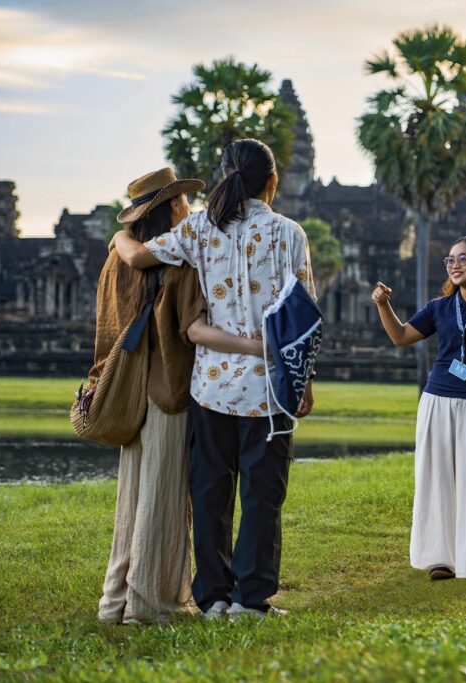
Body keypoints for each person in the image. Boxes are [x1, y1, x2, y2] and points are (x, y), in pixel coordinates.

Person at [112, 139, 316, 620]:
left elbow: (138, 257)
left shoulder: (200, 228)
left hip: (212, 387)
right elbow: (302, 317)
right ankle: (251, 599)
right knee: (262, 498)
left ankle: (214, 598)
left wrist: (118, 239)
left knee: (211, 494)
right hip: (271, 389)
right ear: (272, 182)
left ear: (224, 176)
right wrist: (305, 381)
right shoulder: (289, 233)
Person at [96, 168, 265, 625]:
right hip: (169, 388)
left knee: (131, 498)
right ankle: (150, 603)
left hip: (127, 389)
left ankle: (115, 601)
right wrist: (253, 344)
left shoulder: (118, 257)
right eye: (184, 203)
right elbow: (192, 328)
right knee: (163, 498)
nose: (189, 209)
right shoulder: (180, 259)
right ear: (173, 207)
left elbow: (107, 325)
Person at [371, 236, 466, 580]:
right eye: (450, 259)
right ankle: (442, 558)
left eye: (464, 258)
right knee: (436, 477)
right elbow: (401, 336)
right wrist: (382, 305)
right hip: (438, 396)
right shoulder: (440, 306)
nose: (455, 264)